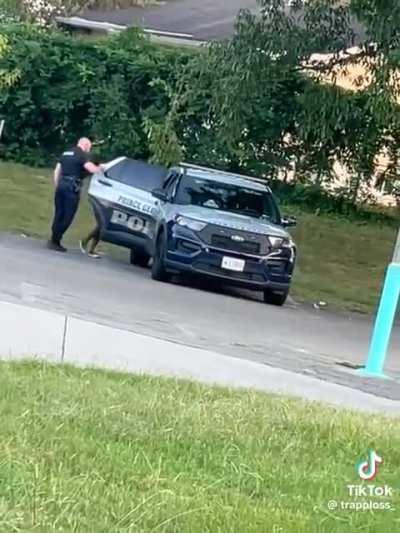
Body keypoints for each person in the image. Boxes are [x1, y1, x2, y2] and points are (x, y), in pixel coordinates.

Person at [48, 138, 103, 252]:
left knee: (59, 213)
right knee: (68, 216)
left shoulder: (66, 153)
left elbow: (57, 170)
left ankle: (54, 239)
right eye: (90, 147)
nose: (89, 149)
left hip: (62, 185)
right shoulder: (81, 155)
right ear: (86, 145)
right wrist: (100, 168)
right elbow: (91, 169)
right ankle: (55, 240)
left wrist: (58, 185)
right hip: (72, 187)